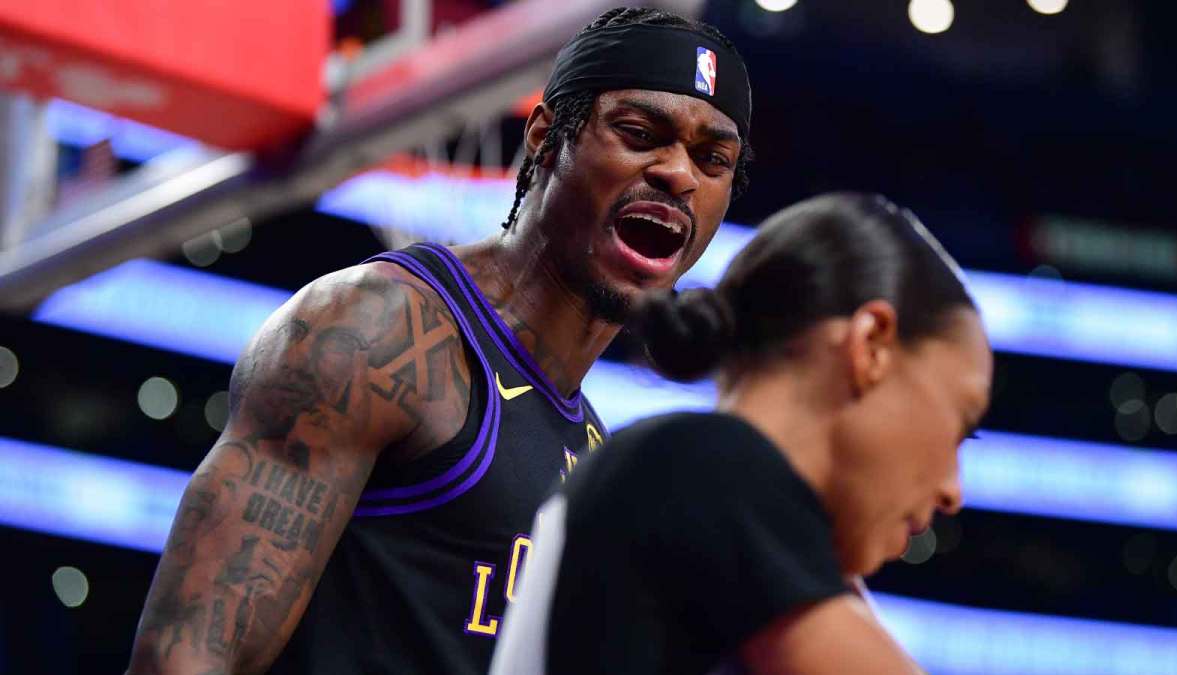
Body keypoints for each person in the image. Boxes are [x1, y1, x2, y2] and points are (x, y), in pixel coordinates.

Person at [124, 7, 753, 675]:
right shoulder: (377, 327)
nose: (678, 174)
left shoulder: (592, 454)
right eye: (638, 132)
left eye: (712, 158)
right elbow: (185, 657)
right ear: (544, 137)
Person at [489, 192, 993, 675]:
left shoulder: (688, 472)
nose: (953, 490)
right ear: (873, 346)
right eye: (960, 426)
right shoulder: (713, 468)